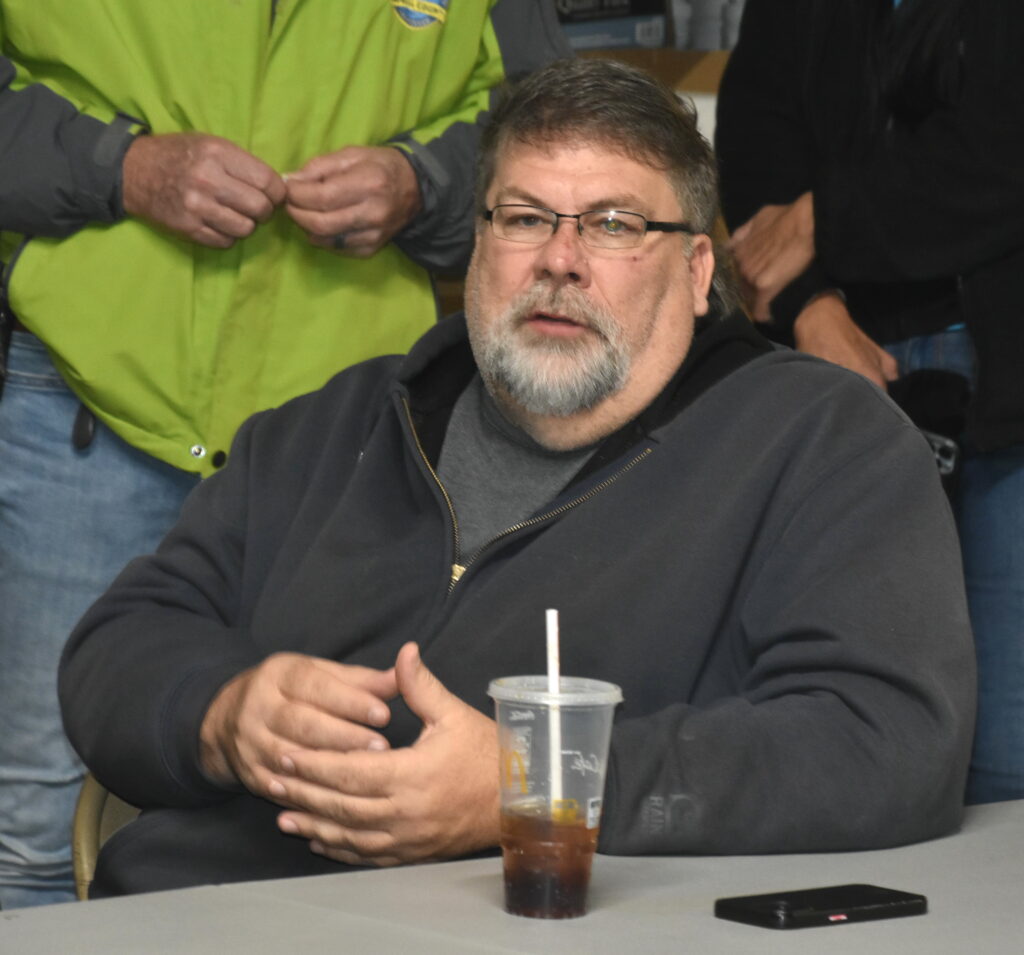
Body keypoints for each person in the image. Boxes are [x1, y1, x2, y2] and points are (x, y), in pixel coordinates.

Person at [60, 57, 974, 899]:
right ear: (478, 242)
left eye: (614, 225)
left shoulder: (821, 444)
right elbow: (116, 647)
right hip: (202, 914)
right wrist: (223, 714)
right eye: (526, 217)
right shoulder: (337, 424)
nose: (560, 259)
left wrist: (537, 785)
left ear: (699, 271)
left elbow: (888, 742)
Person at [0, 1, 570, 909]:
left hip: (358, 443)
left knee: (339, 824)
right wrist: (122, 168)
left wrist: (421, 181)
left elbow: (552, 122)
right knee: (33, 836)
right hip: (90, 394)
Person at [715, 0, 1024, 804]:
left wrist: (828, 216)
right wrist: (811, 307)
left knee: (1007, 764)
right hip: (830, 374)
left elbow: (1001, 153)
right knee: (836, 738)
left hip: (1008, 403)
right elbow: (755, 135)